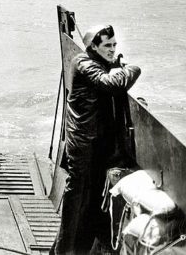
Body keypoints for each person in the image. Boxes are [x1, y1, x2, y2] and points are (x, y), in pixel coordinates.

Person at [52, 25, 141, 255]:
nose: (112, 50)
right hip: (82, 145)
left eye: (114, 45)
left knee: (86, 203)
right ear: (93, 47)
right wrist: (132, 69)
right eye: (107, 46)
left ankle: (70, 249)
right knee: (75, 203)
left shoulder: (94, 62)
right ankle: (63, 251)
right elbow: (110, 84)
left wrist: (114, 65)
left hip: (91, 143)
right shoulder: (84, 63)